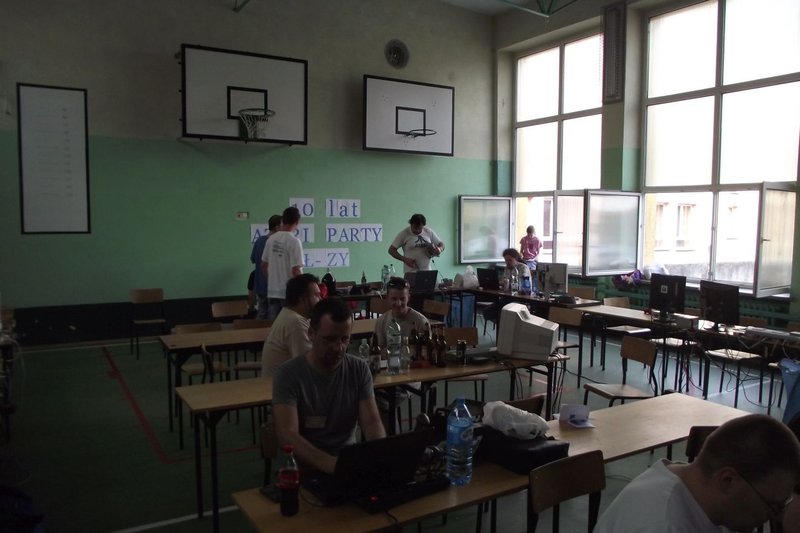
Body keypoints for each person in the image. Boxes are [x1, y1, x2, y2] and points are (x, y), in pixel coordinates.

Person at [594, 414, 800, 533]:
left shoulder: (690, 485)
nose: (778, 516)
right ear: (727, 480)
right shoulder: (663, 525)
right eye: (773, 505)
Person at [272, 298, 386, 474]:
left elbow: (372, 422)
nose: (339, 347)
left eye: (345, 339)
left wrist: (379, 454)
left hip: (346, 464)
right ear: (311, 334)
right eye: (329, 340)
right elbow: (287, 435)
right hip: (302, 470)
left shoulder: (359, 369)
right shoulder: (288, 374)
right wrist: (331, 465)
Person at [260, 273, 321, 377]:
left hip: (280, 382)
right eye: (316, 295)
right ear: (303, 299)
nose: (320, 299)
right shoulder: (296, 323)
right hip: (280, 385)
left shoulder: (288, 314)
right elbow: (310, 366)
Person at [261, 206, 304, 319]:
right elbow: (296, 270)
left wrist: (272, 281)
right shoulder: (294, 241)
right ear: (297, 222)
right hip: (288, 293)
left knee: (274, 325)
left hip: (272, 291)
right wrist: (302, 290)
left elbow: (263, 266)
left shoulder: (270, 240)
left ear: (282, 220)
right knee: (289, 324)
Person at [250, 214, 282, 319]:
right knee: (273, 317)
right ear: (277, 227)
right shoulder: (275, 243)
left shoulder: (259, 241)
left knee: (261, 313)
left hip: (260, 286)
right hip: (273, 288)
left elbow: (253, 259)